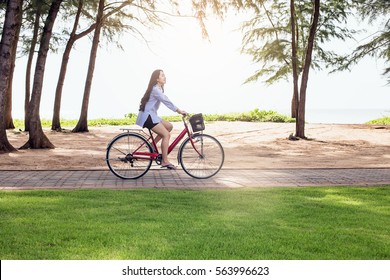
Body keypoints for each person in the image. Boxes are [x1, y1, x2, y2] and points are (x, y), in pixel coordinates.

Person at [136, 69, 187, 170]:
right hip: (148, 117)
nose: (165, 77)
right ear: (157, 79)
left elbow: (165, 99)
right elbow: (166, 101)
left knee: (169, 126)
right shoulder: (155, 89)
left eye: (164, 75)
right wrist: (179, 110)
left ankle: (151, 145)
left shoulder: (159, 89)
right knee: (166, 135)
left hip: (152, 115)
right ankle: (164, 161)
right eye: (162, 75)